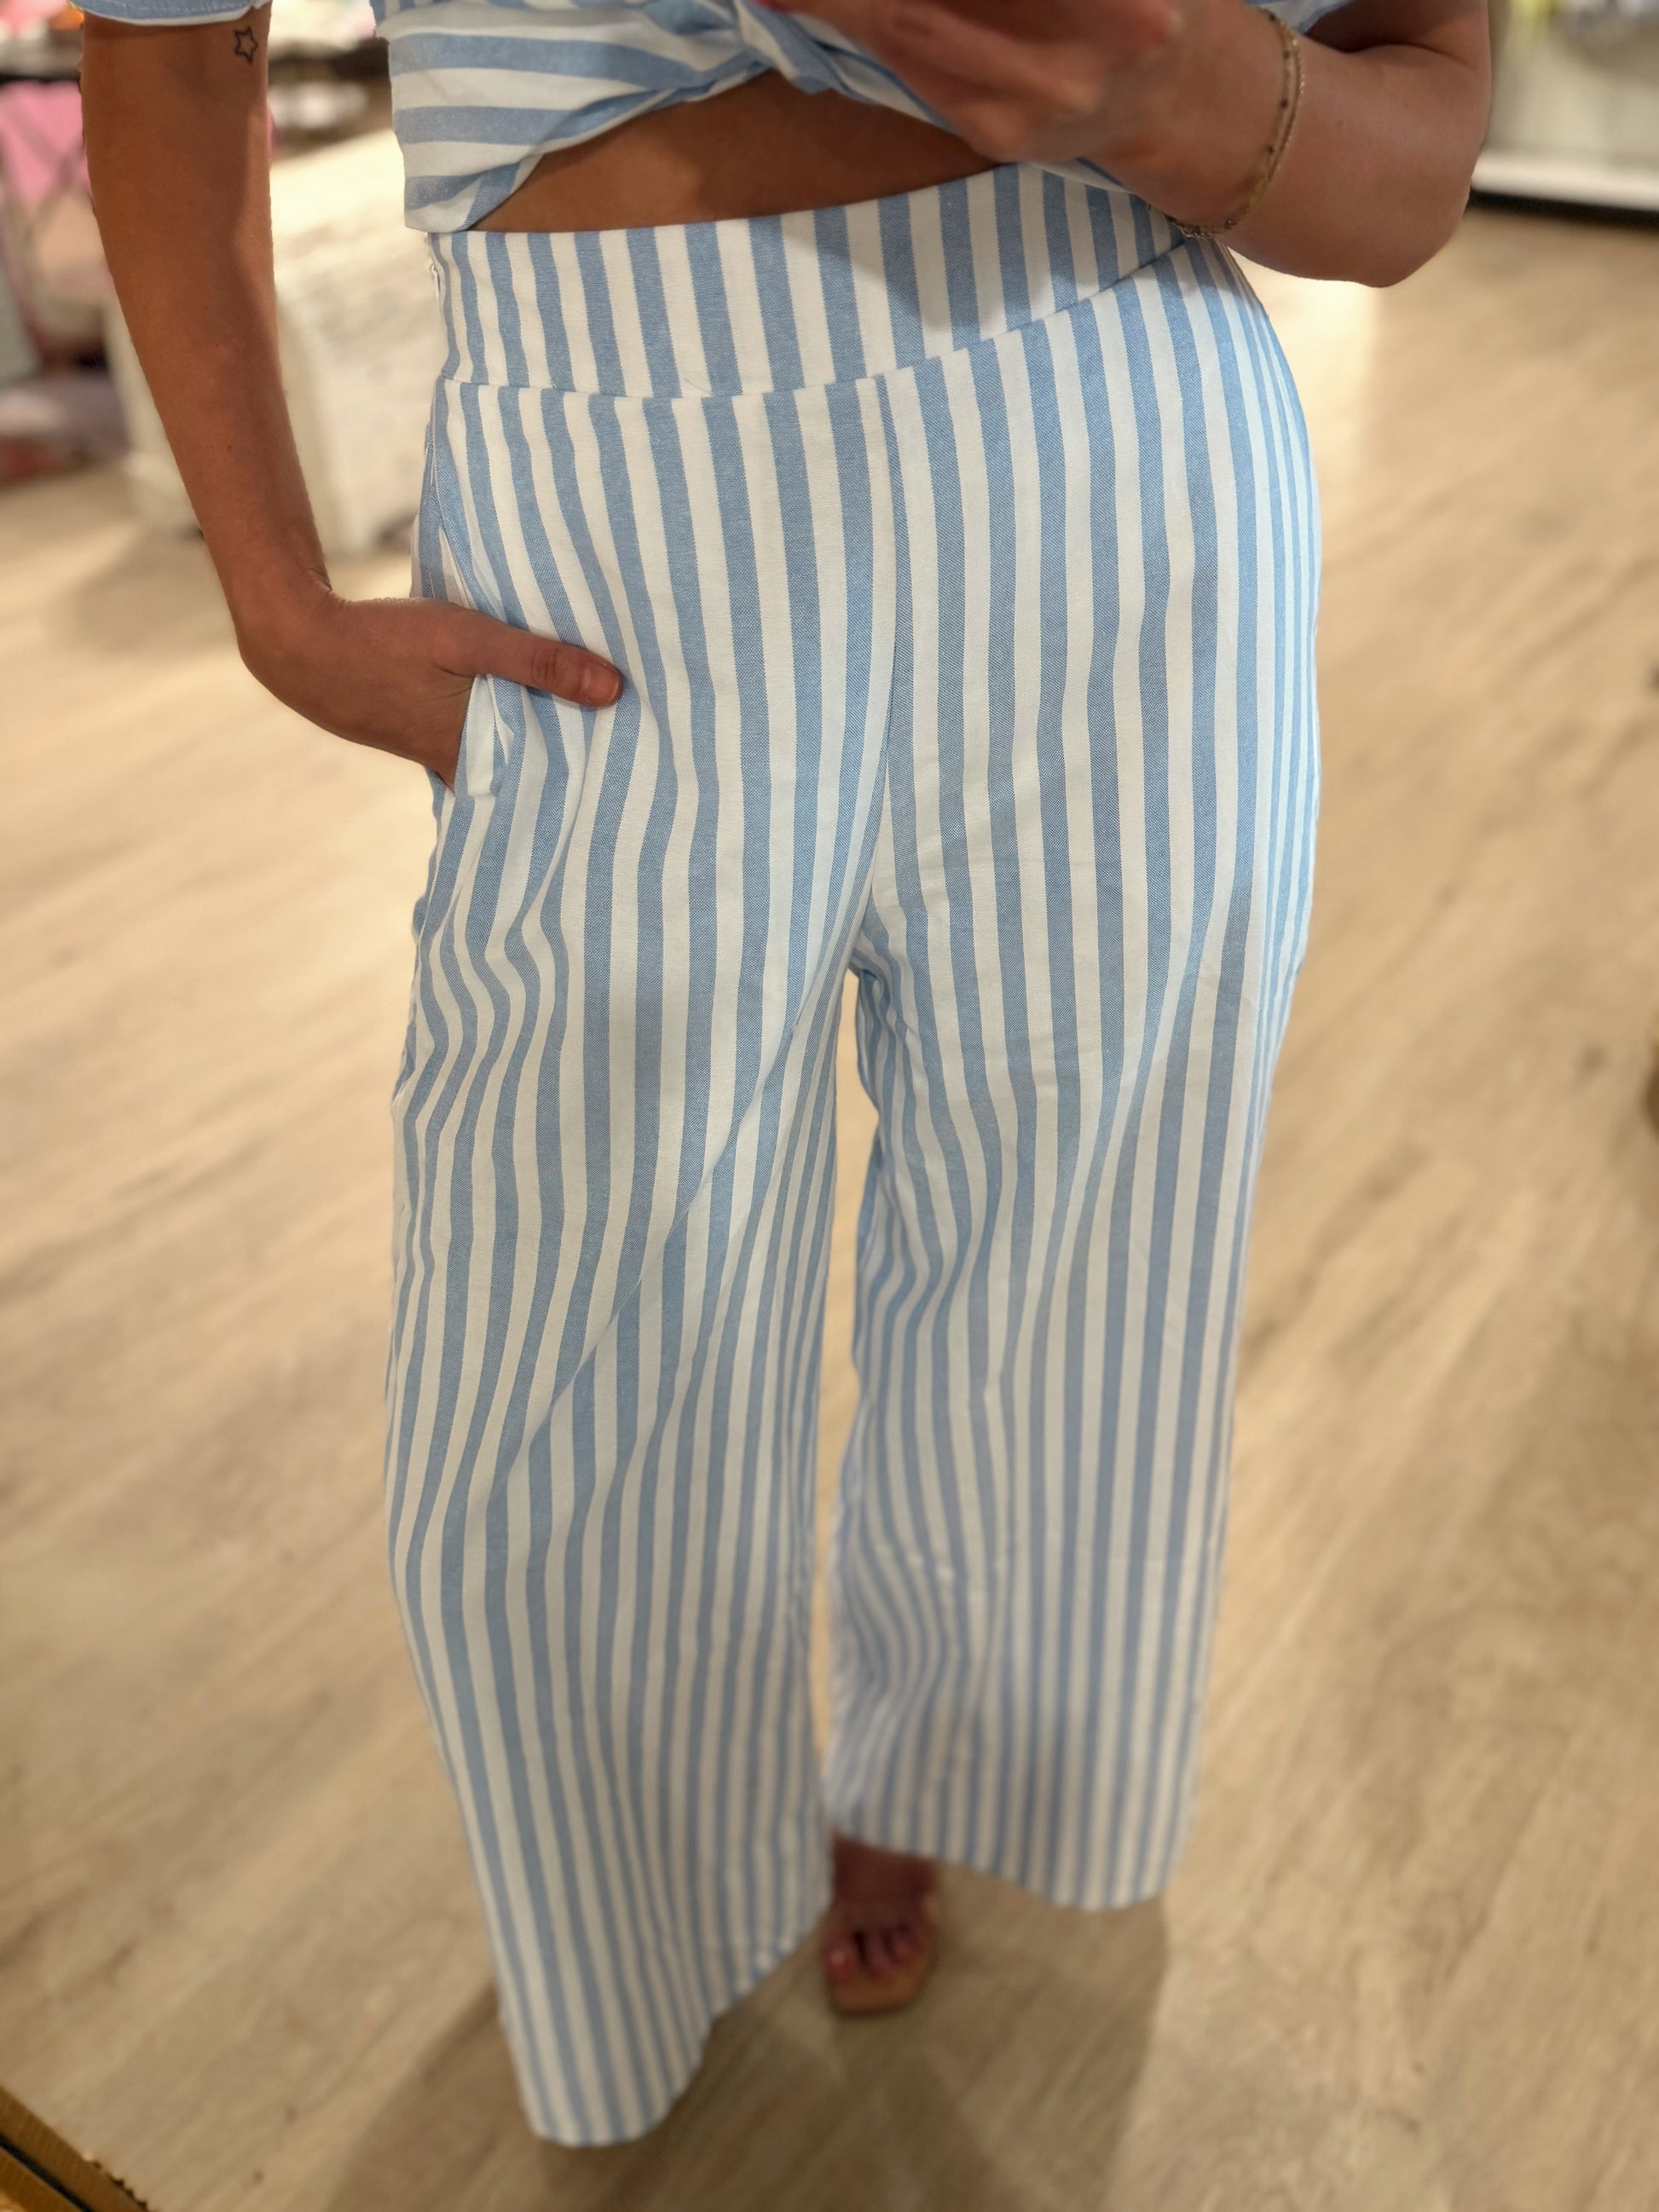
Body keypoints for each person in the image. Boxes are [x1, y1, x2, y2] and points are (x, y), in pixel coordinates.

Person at [78, 0, 1488, 2146]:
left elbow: (1418, 114)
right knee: (544, 1391)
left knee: (1071, 1275)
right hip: (603, 489)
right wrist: (273, 596)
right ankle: (633, 1924)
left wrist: (1167, 85)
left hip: (1112, 396)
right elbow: (173, 44)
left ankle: (929, 1763)